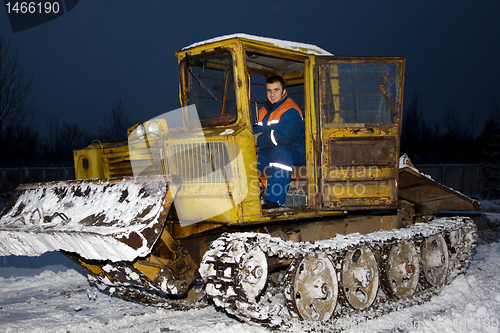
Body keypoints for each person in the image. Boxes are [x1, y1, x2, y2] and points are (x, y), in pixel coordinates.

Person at [253, 75, 306, 209]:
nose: (272, 94)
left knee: (280, 150)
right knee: (248, 154)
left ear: (283, 91)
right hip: (271, 150)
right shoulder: (262, 111)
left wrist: (258, 139)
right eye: (269, 90)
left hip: (295, 153)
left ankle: (274, 201)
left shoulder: (290, 110)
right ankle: (251, 197)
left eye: (276, 90)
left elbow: (282, 137)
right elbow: (252, 131)